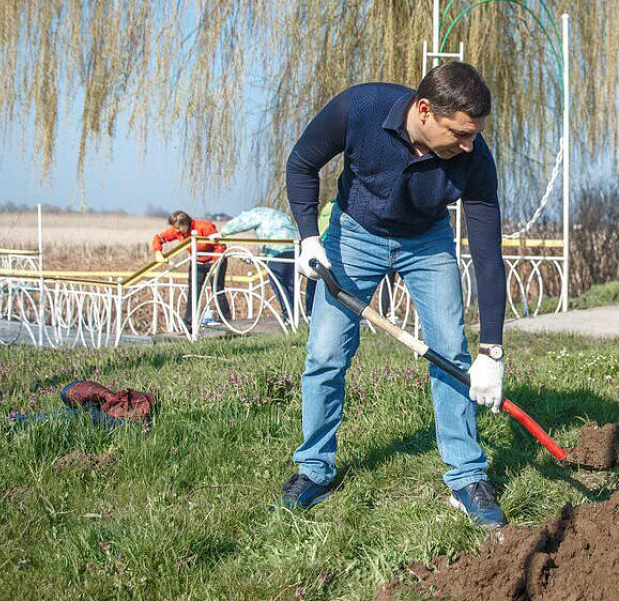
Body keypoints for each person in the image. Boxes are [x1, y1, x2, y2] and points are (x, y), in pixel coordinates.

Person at [279, 62, 508, 528]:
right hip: (354, 232)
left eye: (473, 134)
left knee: (450, 350)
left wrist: (493, 351)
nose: (469, 144)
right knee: (325, 353)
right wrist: (307, 238)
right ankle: (314, 469)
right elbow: (301, 163)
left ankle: (466, 477)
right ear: (424, 110)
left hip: (428, 241)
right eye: (459, 133)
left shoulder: (474, 157)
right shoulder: (360, 108)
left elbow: (487, 255)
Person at [150, 211, 230, 329]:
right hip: (197, 262)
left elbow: (220, 245)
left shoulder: (204, 227)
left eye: (178, 228)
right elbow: (159, 238)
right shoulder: (176, 230)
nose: (176, 231)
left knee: (217, 290)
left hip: (215, 260)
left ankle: (227, 321)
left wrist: (216, 263)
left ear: (186, 223)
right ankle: (189, 324)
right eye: (175, 228)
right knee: (193, 292)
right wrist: (157, 251)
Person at [216, 207, 300, 317]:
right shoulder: (281, 215)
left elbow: (242, 223)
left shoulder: (258, 214)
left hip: (278, 249)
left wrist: (222, 232)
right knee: (290, 284)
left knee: (277, 282)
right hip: (294, 248)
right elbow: (267, 242)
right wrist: (258, 258)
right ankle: (295, 316)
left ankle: (289, 315)